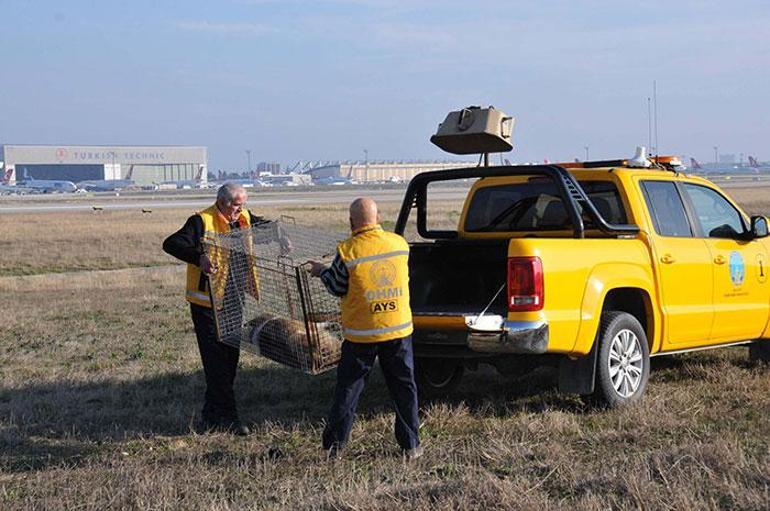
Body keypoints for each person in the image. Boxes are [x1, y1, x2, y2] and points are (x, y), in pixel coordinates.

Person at [163, 182, 284, 435]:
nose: (241, 209)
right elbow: (171, 243)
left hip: (234, 300)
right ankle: (230, 419)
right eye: (237, 205)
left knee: (229, 360)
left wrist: (281, 235)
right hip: (207, 305)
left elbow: (264, 228)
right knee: (216, 362)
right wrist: (199, 257)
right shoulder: (201, 221)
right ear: (222, 202)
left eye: (243, 204)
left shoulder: (244, 217)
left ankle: (211, 416)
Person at [309, 197, 422, 459]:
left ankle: (335, 447)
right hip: (397, 329)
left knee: (349, 388)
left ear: (351, 222)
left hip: (362, 333)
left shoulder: (348, 250)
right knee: (404, 387)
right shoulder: (399, 244)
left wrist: (322, 271)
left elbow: (337, 286)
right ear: (378, 217)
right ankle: (411, 445)